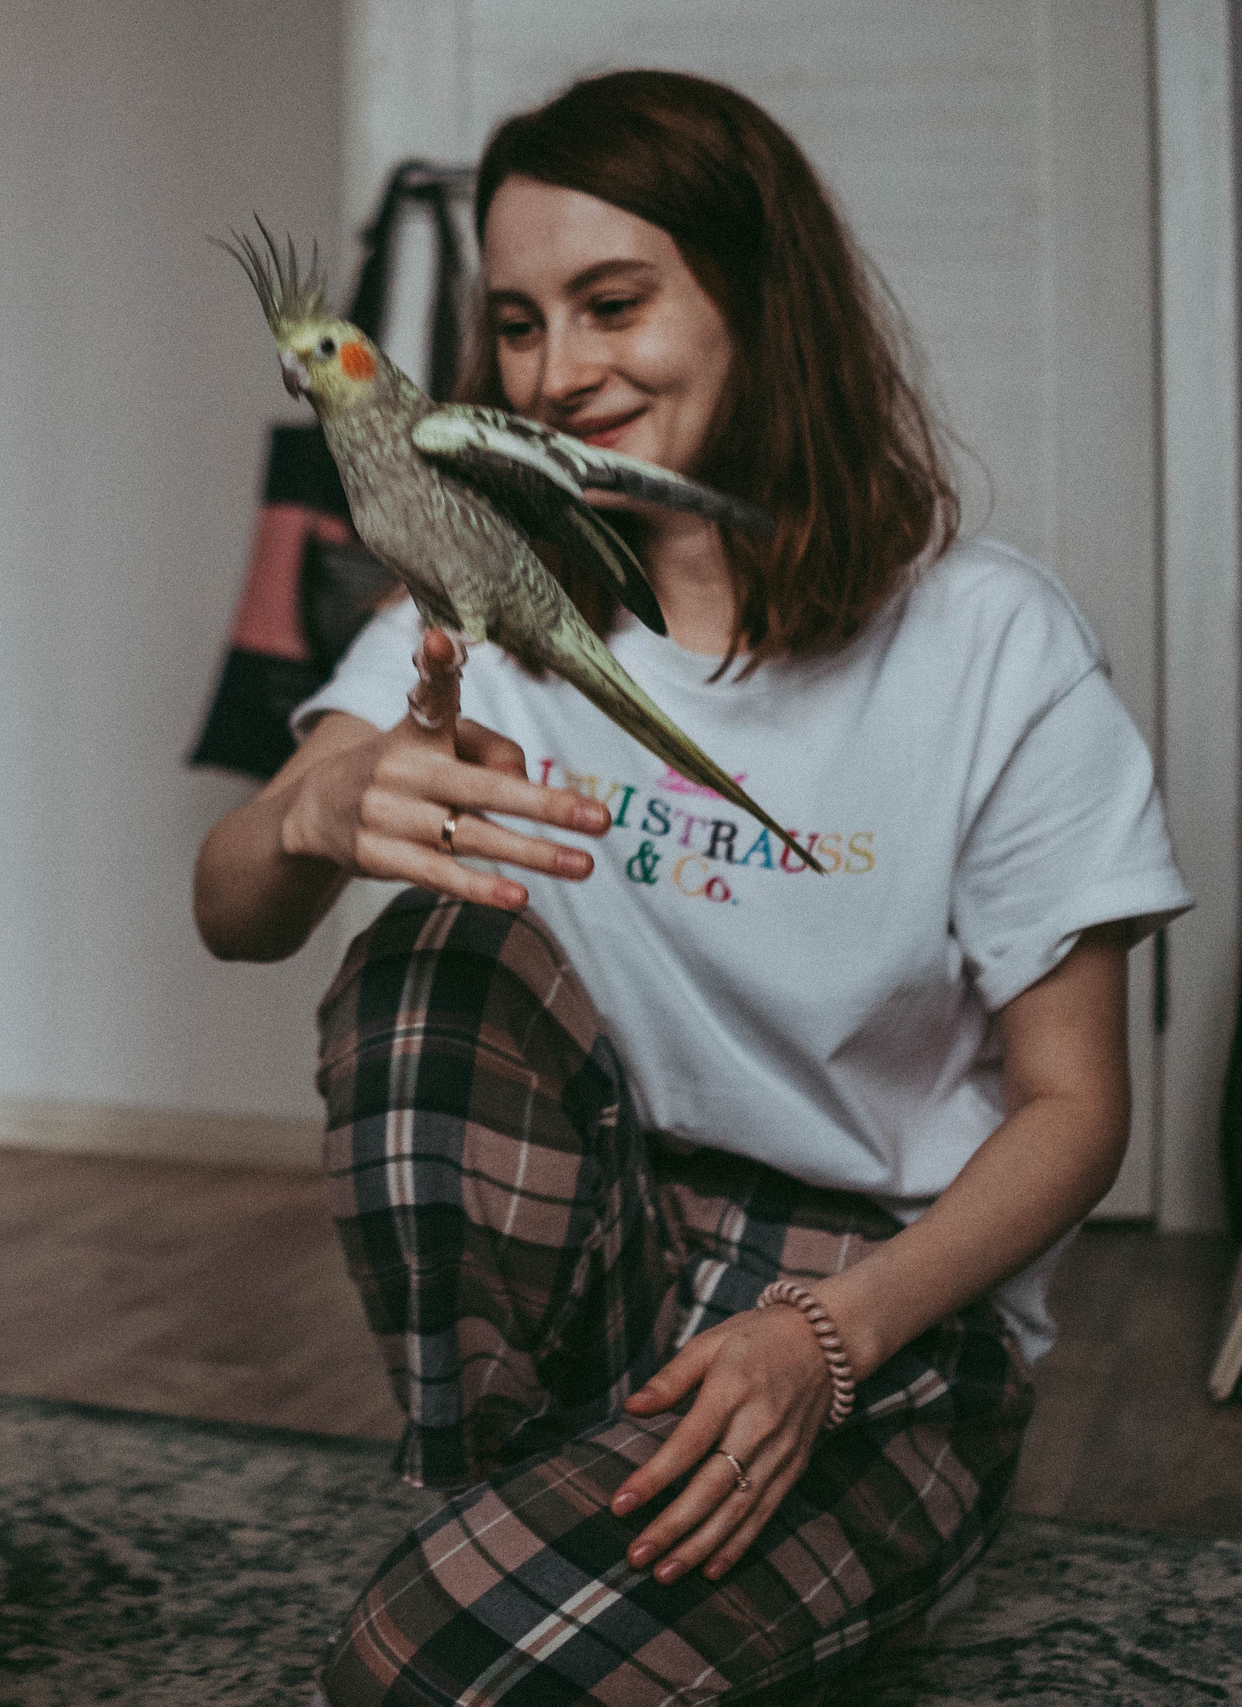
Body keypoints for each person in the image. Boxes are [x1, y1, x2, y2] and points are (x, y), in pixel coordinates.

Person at [194, 69, 1190, 1704]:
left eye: (613, 303)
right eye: (515, 324)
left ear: (757, 303)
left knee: (407, 1665)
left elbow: (1078, 1108)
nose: (560, 371)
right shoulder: (481, 597)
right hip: (611, 1236)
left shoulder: (990, 641)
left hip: (883, 1301)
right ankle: (522, 1489)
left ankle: (566, 1532)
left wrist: (833, 1339)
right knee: (431, 966)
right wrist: (317, 812)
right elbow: (231, 906)